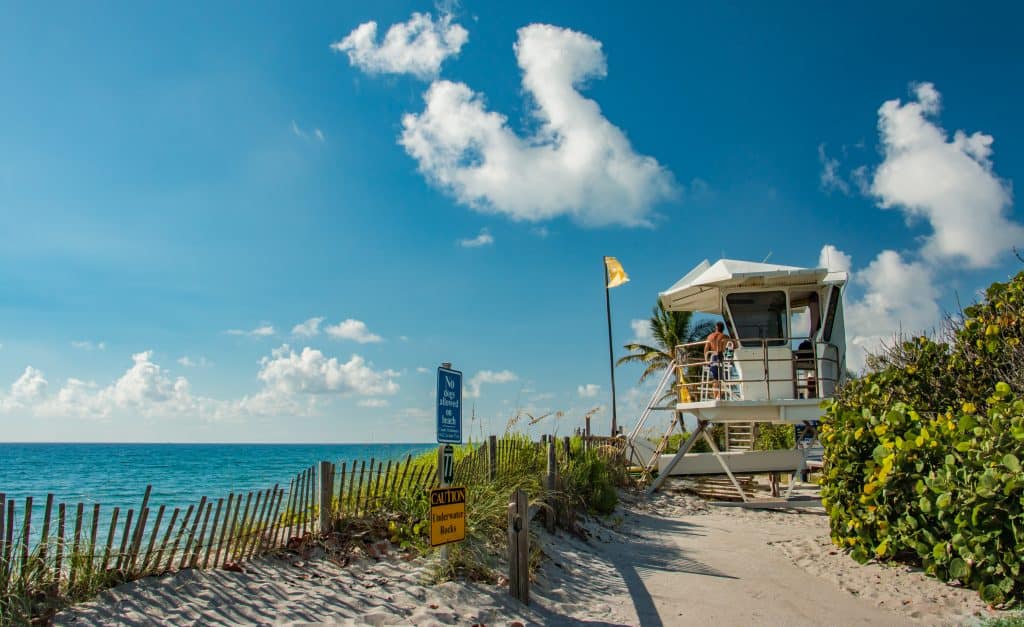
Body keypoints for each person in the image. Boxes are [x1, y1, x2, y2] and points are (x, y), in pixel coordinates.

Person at [705, 321, 738, 399]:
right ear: (723, 328)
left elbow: (706, 349)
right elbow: (734, 346)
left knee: (715, 379)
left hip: (713, 358)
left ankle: (715, 396)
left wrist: (706, 360)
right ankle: (718, 397)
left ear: (716, 328)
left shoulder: (710, 336)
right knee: (724, 380)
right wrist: (730, 360)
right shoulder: (725, 337)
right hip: (722, 358)